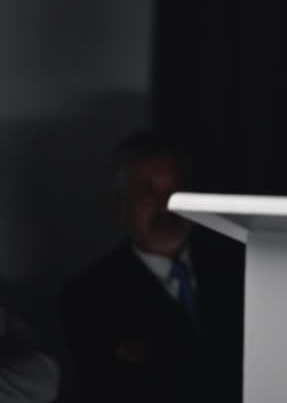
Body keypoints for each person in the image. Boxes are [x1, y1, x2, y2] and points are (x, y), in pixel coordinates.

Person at [60, 132, 244, 402]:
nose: (166, 207)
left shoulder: (238, 267)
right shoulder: (88, 295)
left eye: (175, 193)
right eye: (148, 195)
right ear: (120, 206)